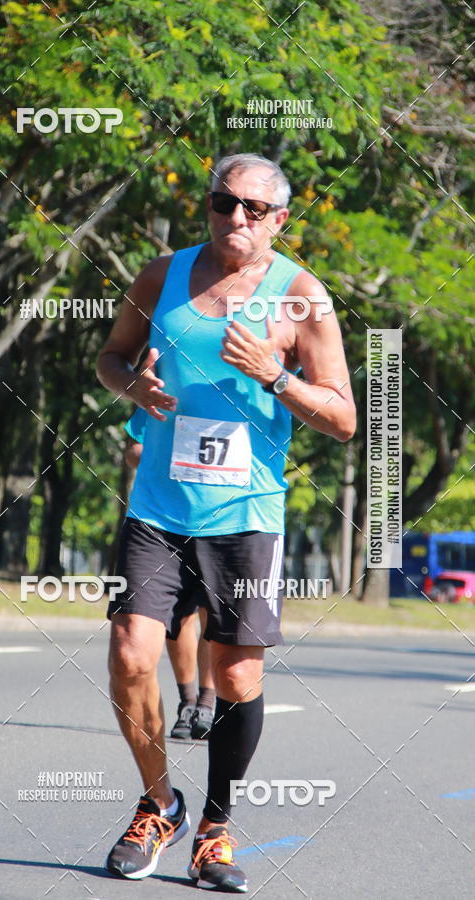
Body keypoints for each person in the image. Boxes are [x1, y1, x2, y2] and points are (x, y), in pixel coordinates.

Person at [96, 152, 356, 892]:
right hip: (158, 506)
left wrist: (276, 376)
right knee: (129, 654)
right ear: (208, 206)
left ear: (278, 219)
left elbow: (341, 418)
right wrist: (133, 385)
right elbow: (109, 360)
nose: (233, 218)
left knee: (236, 675)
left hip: (246, 514)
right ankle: (158, 804)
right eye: (221, 202)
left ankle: (214, 831)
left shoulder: (302, 298)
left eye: (251, 207)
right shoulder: (161, 277)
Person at [124, 407, 215, 741]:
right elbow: (133, 449)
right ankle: (187, 700)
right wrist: (170, 459)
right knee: (178, 620)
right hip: (167, 523)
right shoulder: (159, 392)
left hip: (220, 521)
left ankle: (207, 700)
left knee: (211, 613)